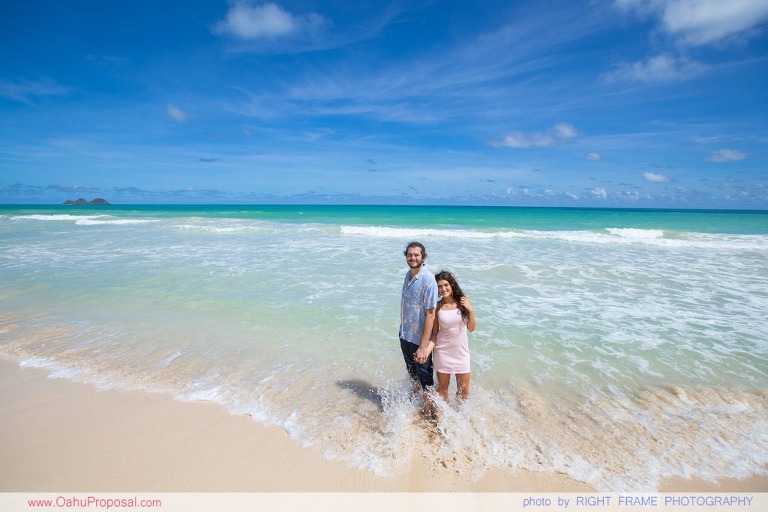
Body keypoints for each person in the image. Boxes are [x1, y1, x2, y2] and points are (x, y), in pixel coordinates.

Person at [399, 241, 439, 400]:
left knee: (426, 380)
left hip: (419, 339)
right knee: (413, 376)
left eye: (416, 255)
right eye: (410, 255)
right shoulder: (408, 275)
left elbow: (431, 314)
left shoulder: (428, 279)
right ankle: (415, 407)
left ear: (423, 257)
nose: (413, 258)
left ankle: (430, 415)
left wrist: (423, 346)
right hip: (405, 335)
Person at [430, 270, 476, 403]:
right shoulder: (437, 306)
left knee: (464, 391)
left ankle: (458, 418)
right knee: (442, 388)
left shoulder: (463, 302)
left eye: (446, 285)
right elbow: (434, 333)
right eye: (439, 286)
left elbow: (471, 328)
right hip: (443, 351)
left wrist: (470, 310)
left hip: (461, 352)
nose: (443, 289)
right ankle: (443, 417)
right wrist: (426, 350)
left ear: (452, 285)